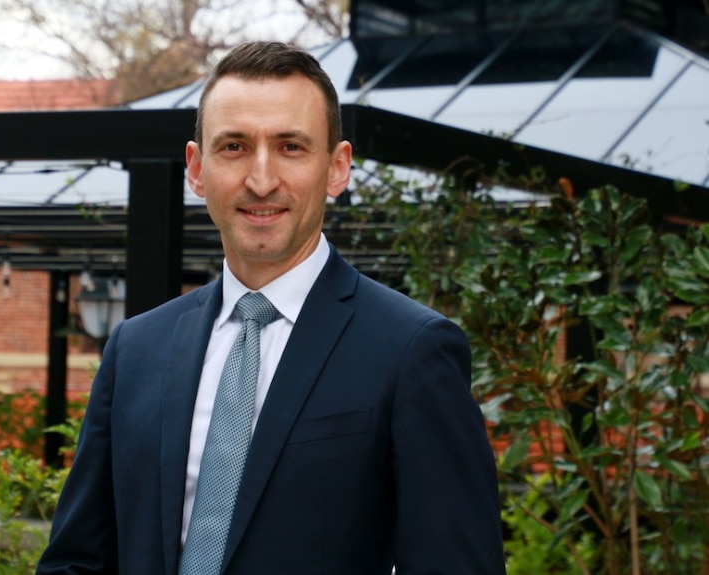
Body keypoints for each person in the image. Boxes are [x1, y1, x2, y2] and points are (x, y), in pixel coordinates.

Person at [35, 41, 505, 575]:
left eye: (291, 147)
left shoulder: (411, 350)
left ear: (337, 167)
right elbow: (77, 561)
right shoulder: (137, 348)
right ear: (196, 168)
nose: (261, 180)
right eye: (234, 147)